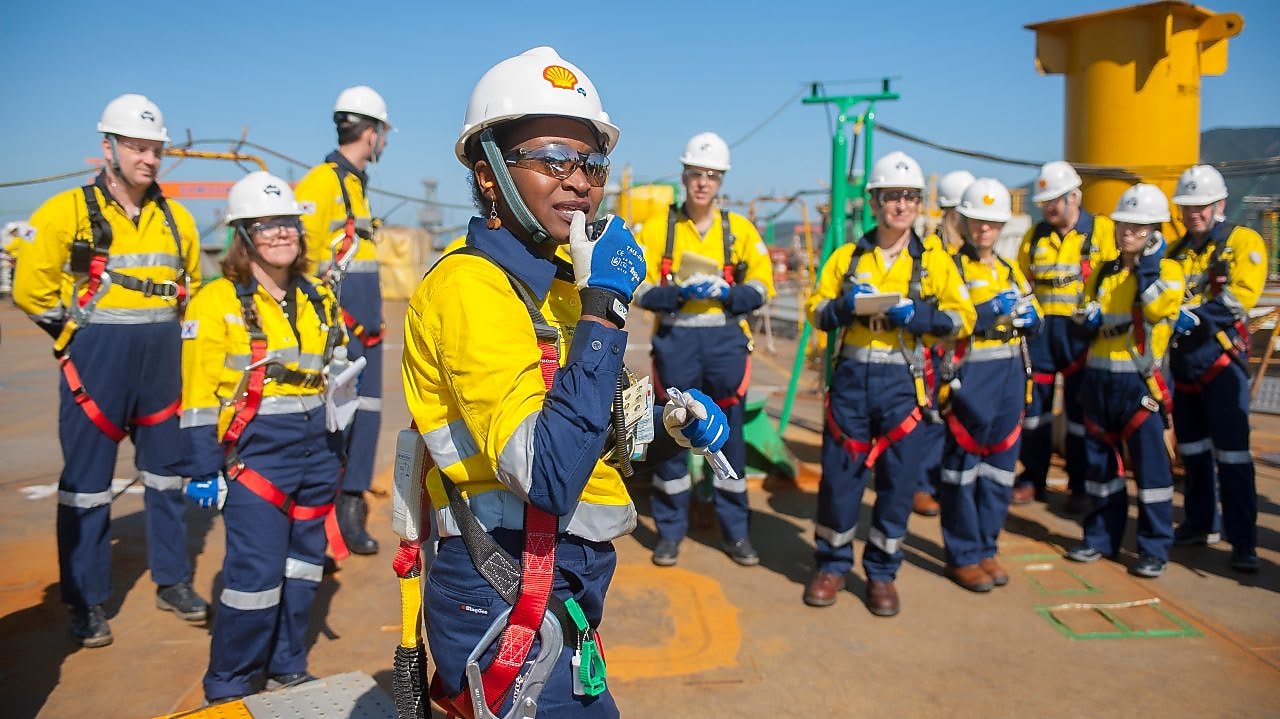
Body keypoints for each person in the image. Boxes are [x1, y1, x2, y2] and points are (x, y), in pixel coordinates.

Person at [402, 46, 728, 717]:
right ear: (488, 170)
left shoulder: (555, 289)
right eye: (553, 158)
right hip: (501, 582)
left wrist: (665, 424)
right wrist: (608, 305)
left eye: (591, 163)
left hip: (557, 585)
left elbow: (592, 430)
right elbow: (544, 472)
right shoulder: (471, 288)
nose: (579, 180)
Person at [13, 94, 206, 648]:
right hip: (95, 367)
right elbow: (31, 288)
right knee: (86, 490)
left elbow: (188, 290)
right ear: (109, 147)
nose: (148, 158)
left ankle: (173, 581)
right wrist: (72, 337)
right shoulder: (65, 212)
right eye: (137, 147)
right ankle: (86, 599)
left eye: (155, 149)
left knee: (167, 481)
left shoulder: (178, 220)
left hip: (160, 370)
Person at [181, 172, 348, 702]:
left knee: (304, 567)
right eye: (267, 224)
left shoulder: (318, 296)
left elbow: (339, 368)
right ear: (243, 235)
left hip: (317, 450)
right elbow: (197, 393)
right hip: (256, 454)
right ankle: (229, 682)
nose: (282, 234)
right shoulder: (215, 302)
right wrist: (203, 466)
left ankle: (286, 664)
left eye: (288, 224)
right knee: (254, 575)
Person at [803, 150, 975, 616]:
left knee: (898, 484)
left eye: (909, 197)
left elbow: (963, 318)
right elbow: (815, 310)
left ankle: (881, 573)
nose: (900, 205)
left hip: (905, 384)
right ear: (875, 202)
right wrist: (843, 305)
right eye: (891, 197)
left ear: (919, 204)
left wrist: (916, 315)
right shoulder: (847, 257)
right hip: (853, 380)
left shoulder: (935, 261)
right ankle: (833, 565)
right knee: (840, 480)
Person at [633, 131, 776, 567]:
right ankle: (670, 533)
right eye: (696, 174)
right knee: (672, 431)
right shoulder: (660, 230)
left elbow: (763, 286)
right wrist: (676, 292)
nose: (702, 182)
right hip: (676, 343)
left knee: (727, 436)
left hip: (724, 345)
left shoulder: (739, 231)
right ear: (684, 176)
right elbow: (638, 287)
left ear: (721, 181)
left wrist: (728, 293)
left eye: (711, 176)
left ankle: (736, 534)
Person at [1064, 184, 1182, 577]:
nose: (1127, 232)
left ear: (1155, 230)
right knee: (1101, 471)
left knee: (1152, 475)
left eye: (1138, 227)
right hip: (1099, 384)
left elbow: (1157, 303)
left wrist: (1147, 263)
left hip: (1139, 386)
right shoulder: (1102, 273)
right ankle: (1100, 538)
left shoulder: (1167, 271)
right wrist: (1087, 320)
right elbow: (1081, 316)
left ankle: (1153, 549)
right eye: (1123, 225)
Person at [294, 85, 391, 556]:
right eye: (384, 133)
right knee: (337, 423)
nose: (385, 142)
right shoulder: (320, 184)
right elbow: (300, 263)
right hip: (338, 331)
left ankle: (349, 511)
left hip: (368, 332)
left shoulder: (355, 185)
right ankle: (326, 518)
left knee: (367, 419)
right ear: (370, 133)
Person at [937, 179, 1042, 592]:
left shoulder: (1010, 269)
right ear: (963, 221)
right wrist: (986, 311)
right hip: (971, 376)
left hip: (1010, 375)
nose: (985, 230)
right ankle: (962, 554)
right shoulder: (950, 267)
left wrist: (1036, 319)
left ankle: (986, 547)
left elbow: (1031, 308)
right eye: (978, 221)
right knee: (962, 469)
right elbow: (946, 320)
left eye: (993, 223)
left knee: (999, 470)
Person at [1166, 164, 1267, 572]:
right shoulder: (1175, 252)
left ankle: (1243, 543)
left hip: (1222, 366)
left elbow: (1241, 297)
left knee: (1234, 458)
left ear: (1219, 204)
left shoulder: (1243, 242)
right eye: (1188, 207)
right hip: (1184, 366)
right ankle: (1198, 523)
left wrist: (1196, 317)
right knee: (1192, 453)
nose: (1195, 214)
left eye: (1202, 206)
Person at [1015, 160, 1117, 511]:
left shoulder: (1102, 231)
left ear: (1075, 196)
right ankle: (1032, 477)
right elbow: (1022, 280)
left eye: (1054, 202)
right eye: (1044, 203)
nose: (1048, 209)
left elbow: (1119, 275)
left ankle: (1079, 483)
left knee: (1080, 413)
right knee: (1035, 410)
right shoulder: (1036, 235)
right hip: (1042, 334)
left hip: (1081, 335)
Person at [912, 169, 975, 519]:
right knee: (933, 415)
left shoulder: (974, 253)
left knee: (958, 417)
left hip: (970, 347)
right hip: (938, 347)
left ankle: (944, 479)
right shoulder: (933, 251)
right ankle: (922, 485)